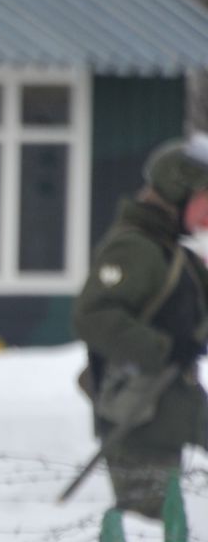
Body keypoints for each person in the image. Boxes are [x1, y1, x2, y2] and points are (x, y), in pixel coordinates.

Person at [73, 136, 208, 518]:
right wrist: (164, 347)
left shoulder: (173, 252)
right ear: (178, 194)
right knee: (149, 525)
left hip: (172, 409)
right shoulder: (136, 249)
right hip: (138, 418)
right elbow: (94, 316)